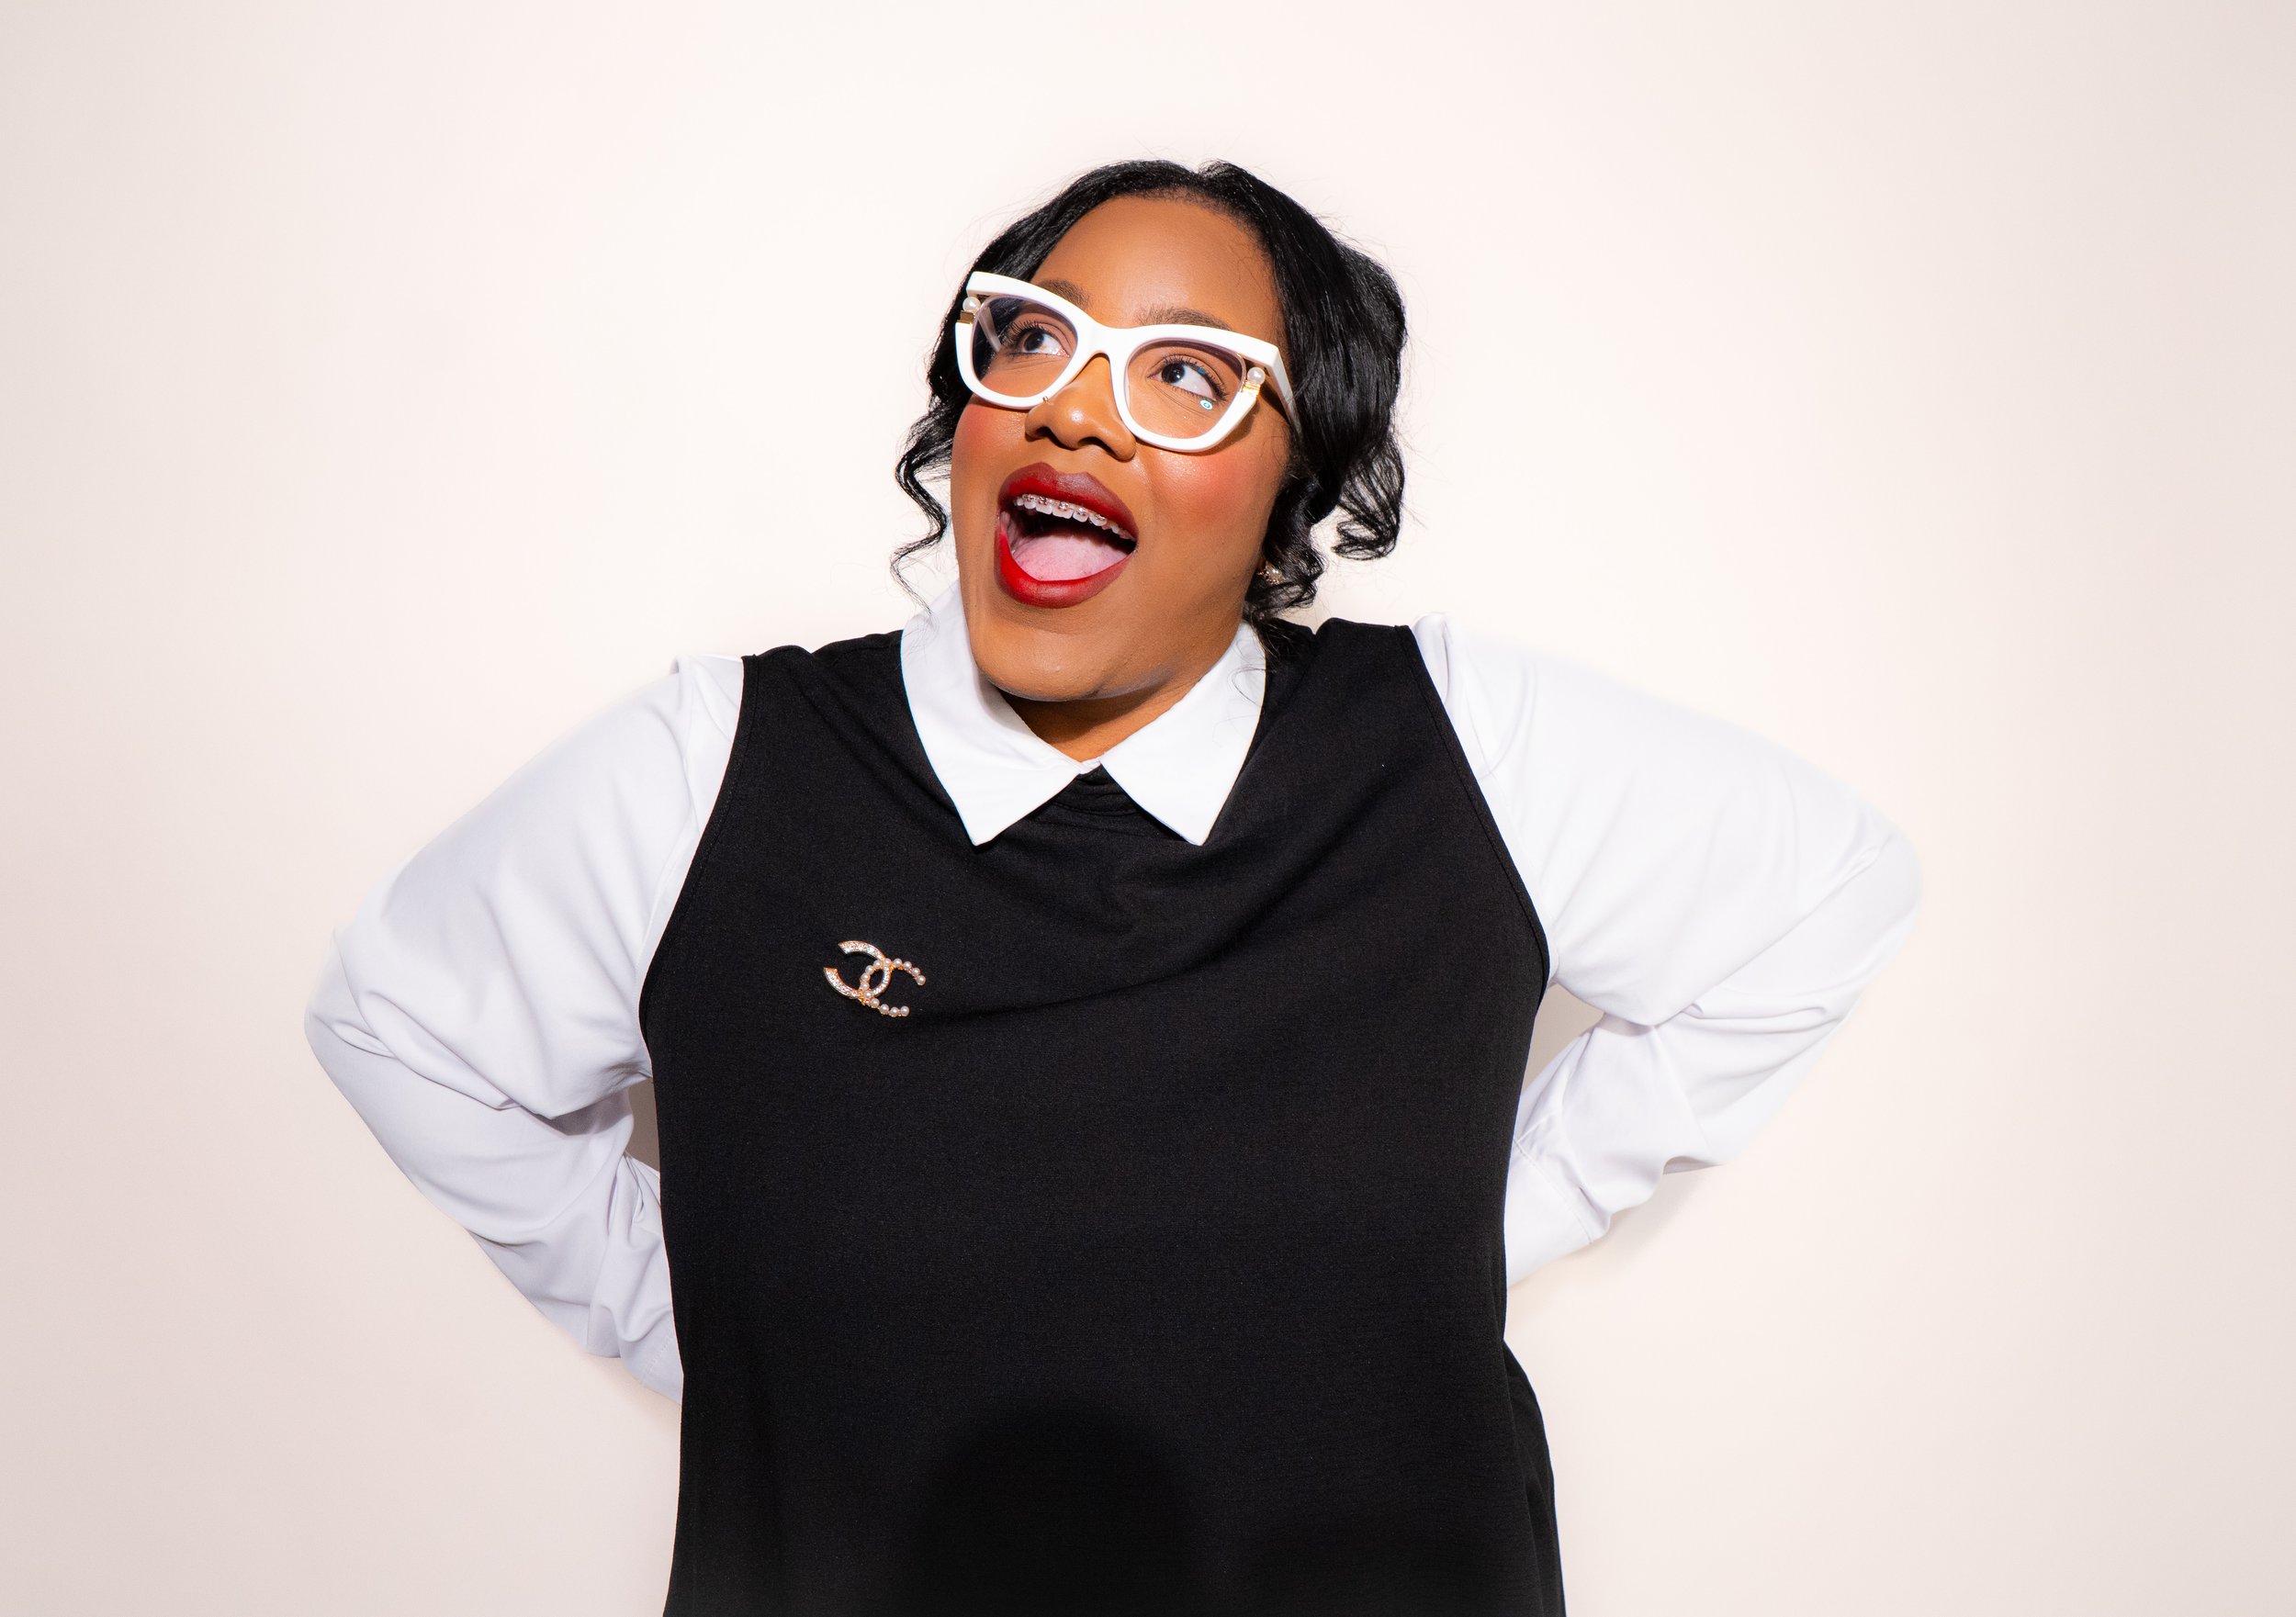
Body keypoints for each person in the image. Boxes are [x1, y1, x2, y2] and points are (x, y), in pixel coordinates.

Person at [305, 158, 1922, 1617]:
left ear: (1297, 485)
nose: (1078, 410)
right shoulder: (715, 767)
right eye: (1032, 340)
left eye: (1189, 378)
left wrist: (1458, 1234)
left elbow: (1826, 893)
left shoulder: (1460, 749)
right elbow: (403, 1025)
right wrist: (719, 1322)